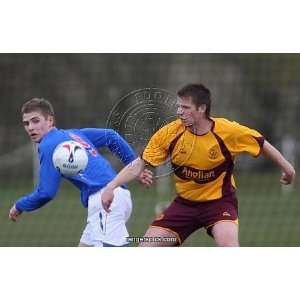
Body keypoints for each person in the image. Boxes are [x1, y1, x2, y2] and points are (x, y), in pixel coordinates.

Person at [101, 83, 296, 247]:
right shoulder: (170, 134)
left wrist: (288, 169)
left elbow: (261, 143)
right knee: (145, 247)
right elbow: (138, 165)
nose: (179, 112)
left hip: (220, 203)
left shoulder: (228, 131)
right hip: (184, 205)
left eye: (185, 108)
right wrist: (111, 186)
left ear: (202, 108)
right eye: (178, 106)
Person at [9, 97, 152, 247]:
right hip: (114, 198)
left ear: (50, 121)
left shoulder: (48, 145)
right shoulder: (73, 134)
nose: (30, 127)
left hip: (105, 201)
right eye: (26, 123)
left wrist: (19, 205)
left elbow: (46, 192)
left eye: (35, 121)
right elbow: (111, 136)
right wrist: (135, 167)